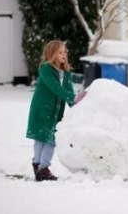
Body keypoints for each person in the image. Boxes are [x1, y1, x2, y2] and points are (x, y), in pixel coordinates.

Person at [26, 40, 86, 181]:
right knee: (41, 139)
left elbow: (69, 92)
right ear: (51, 54)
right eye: (60, 52)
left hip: (56, 112)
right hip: (42, 110)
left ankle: (42, 167)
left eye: (65, 51)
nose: (64, 54)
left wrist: (78, 106)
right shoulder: (46, 69)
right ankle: (40, 166)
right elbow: (56, 89)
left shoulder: (66, 72)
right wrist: (73, 97)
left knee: (51, 139)